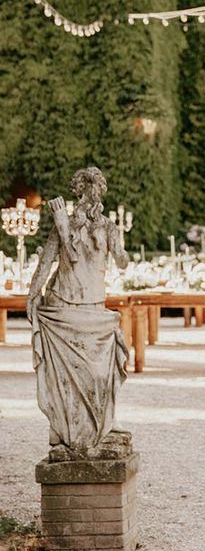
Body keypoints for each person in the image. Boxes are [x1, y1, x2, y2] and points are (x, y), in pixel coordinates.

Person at [28, 167, 130, 454]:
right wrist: (33, 293)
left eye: (95, 190)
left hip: (93, 310)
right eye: (87, 190)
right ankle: (66, 434)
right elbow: (47, 263)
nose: (91, 196)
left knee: (98, 375)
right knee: (66, 377)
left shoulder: (108, 228)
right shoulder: (66, 226)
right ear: (80, 193)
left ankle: (100, 427)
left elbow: (121, 262)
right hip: (63, 306)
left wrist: (119, 248)